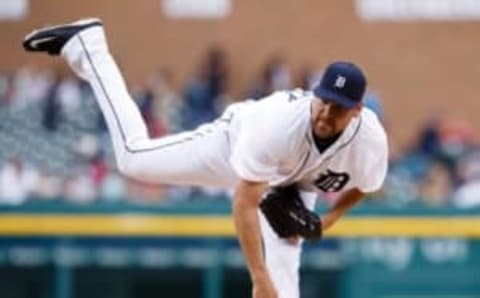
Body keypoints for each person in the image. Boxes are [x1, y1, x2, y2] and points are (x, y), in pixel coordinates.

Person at [23, 19, 388, 298]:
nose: (326, 112)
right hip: (233, 147)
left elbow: (369, 185)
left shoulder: (369, 142)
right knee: (133, 158)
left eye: (337, 108)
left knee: (285, 283)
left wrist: (330, 219)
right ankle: (88, 48)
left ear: (357, 110)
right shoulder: (278, 125)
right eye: (323, 100)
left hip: (293, 178)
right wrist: (258, 277)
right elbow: (245, 201)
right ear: (315, 93)